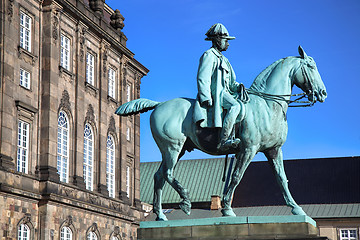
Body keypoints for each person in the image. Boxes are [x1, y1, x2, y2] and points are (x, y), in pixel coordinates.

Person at [193, 23, 248, 151]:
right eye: (226, 40)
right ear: (218, 40)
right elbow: (203, 77)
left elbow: (231, 82)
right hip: (216, 94)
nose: (228, 44)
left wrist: (239, 87)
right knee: (235, 106)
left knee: (241, 104)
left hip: (226, 92)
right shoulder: (209, 55)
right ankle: (224, 140)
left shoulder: (225, 60)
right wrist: (205, 96)